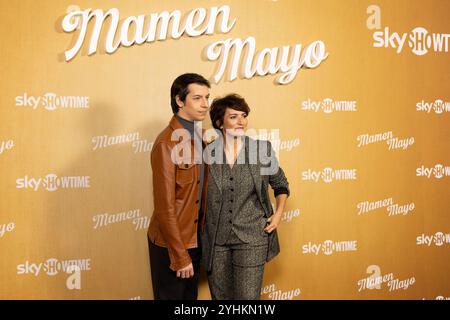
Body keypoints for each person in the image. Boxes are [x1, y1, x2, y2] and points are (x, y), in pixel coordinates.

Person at [202, 94, 290, 300]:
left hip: (252, 237)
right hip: (217, 239)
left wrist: (278, 214)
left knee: (248, 299)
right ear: (219, 122)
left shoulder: (261, 150)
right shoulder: (205, 153)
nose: (241, 122)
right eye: (233, 117)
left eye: (243, 116)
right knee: (221, 298)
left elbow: (281, 185)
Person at [147, 73, 210, 300]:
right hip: (171, 244)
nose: (205, 104)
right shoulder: (166, 142)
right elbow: (165, 208)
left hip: (194, 240)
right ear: (179, 101)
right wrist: (180, 256)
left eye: (207, 97)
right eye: (197, 98)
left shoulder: (199, 137)